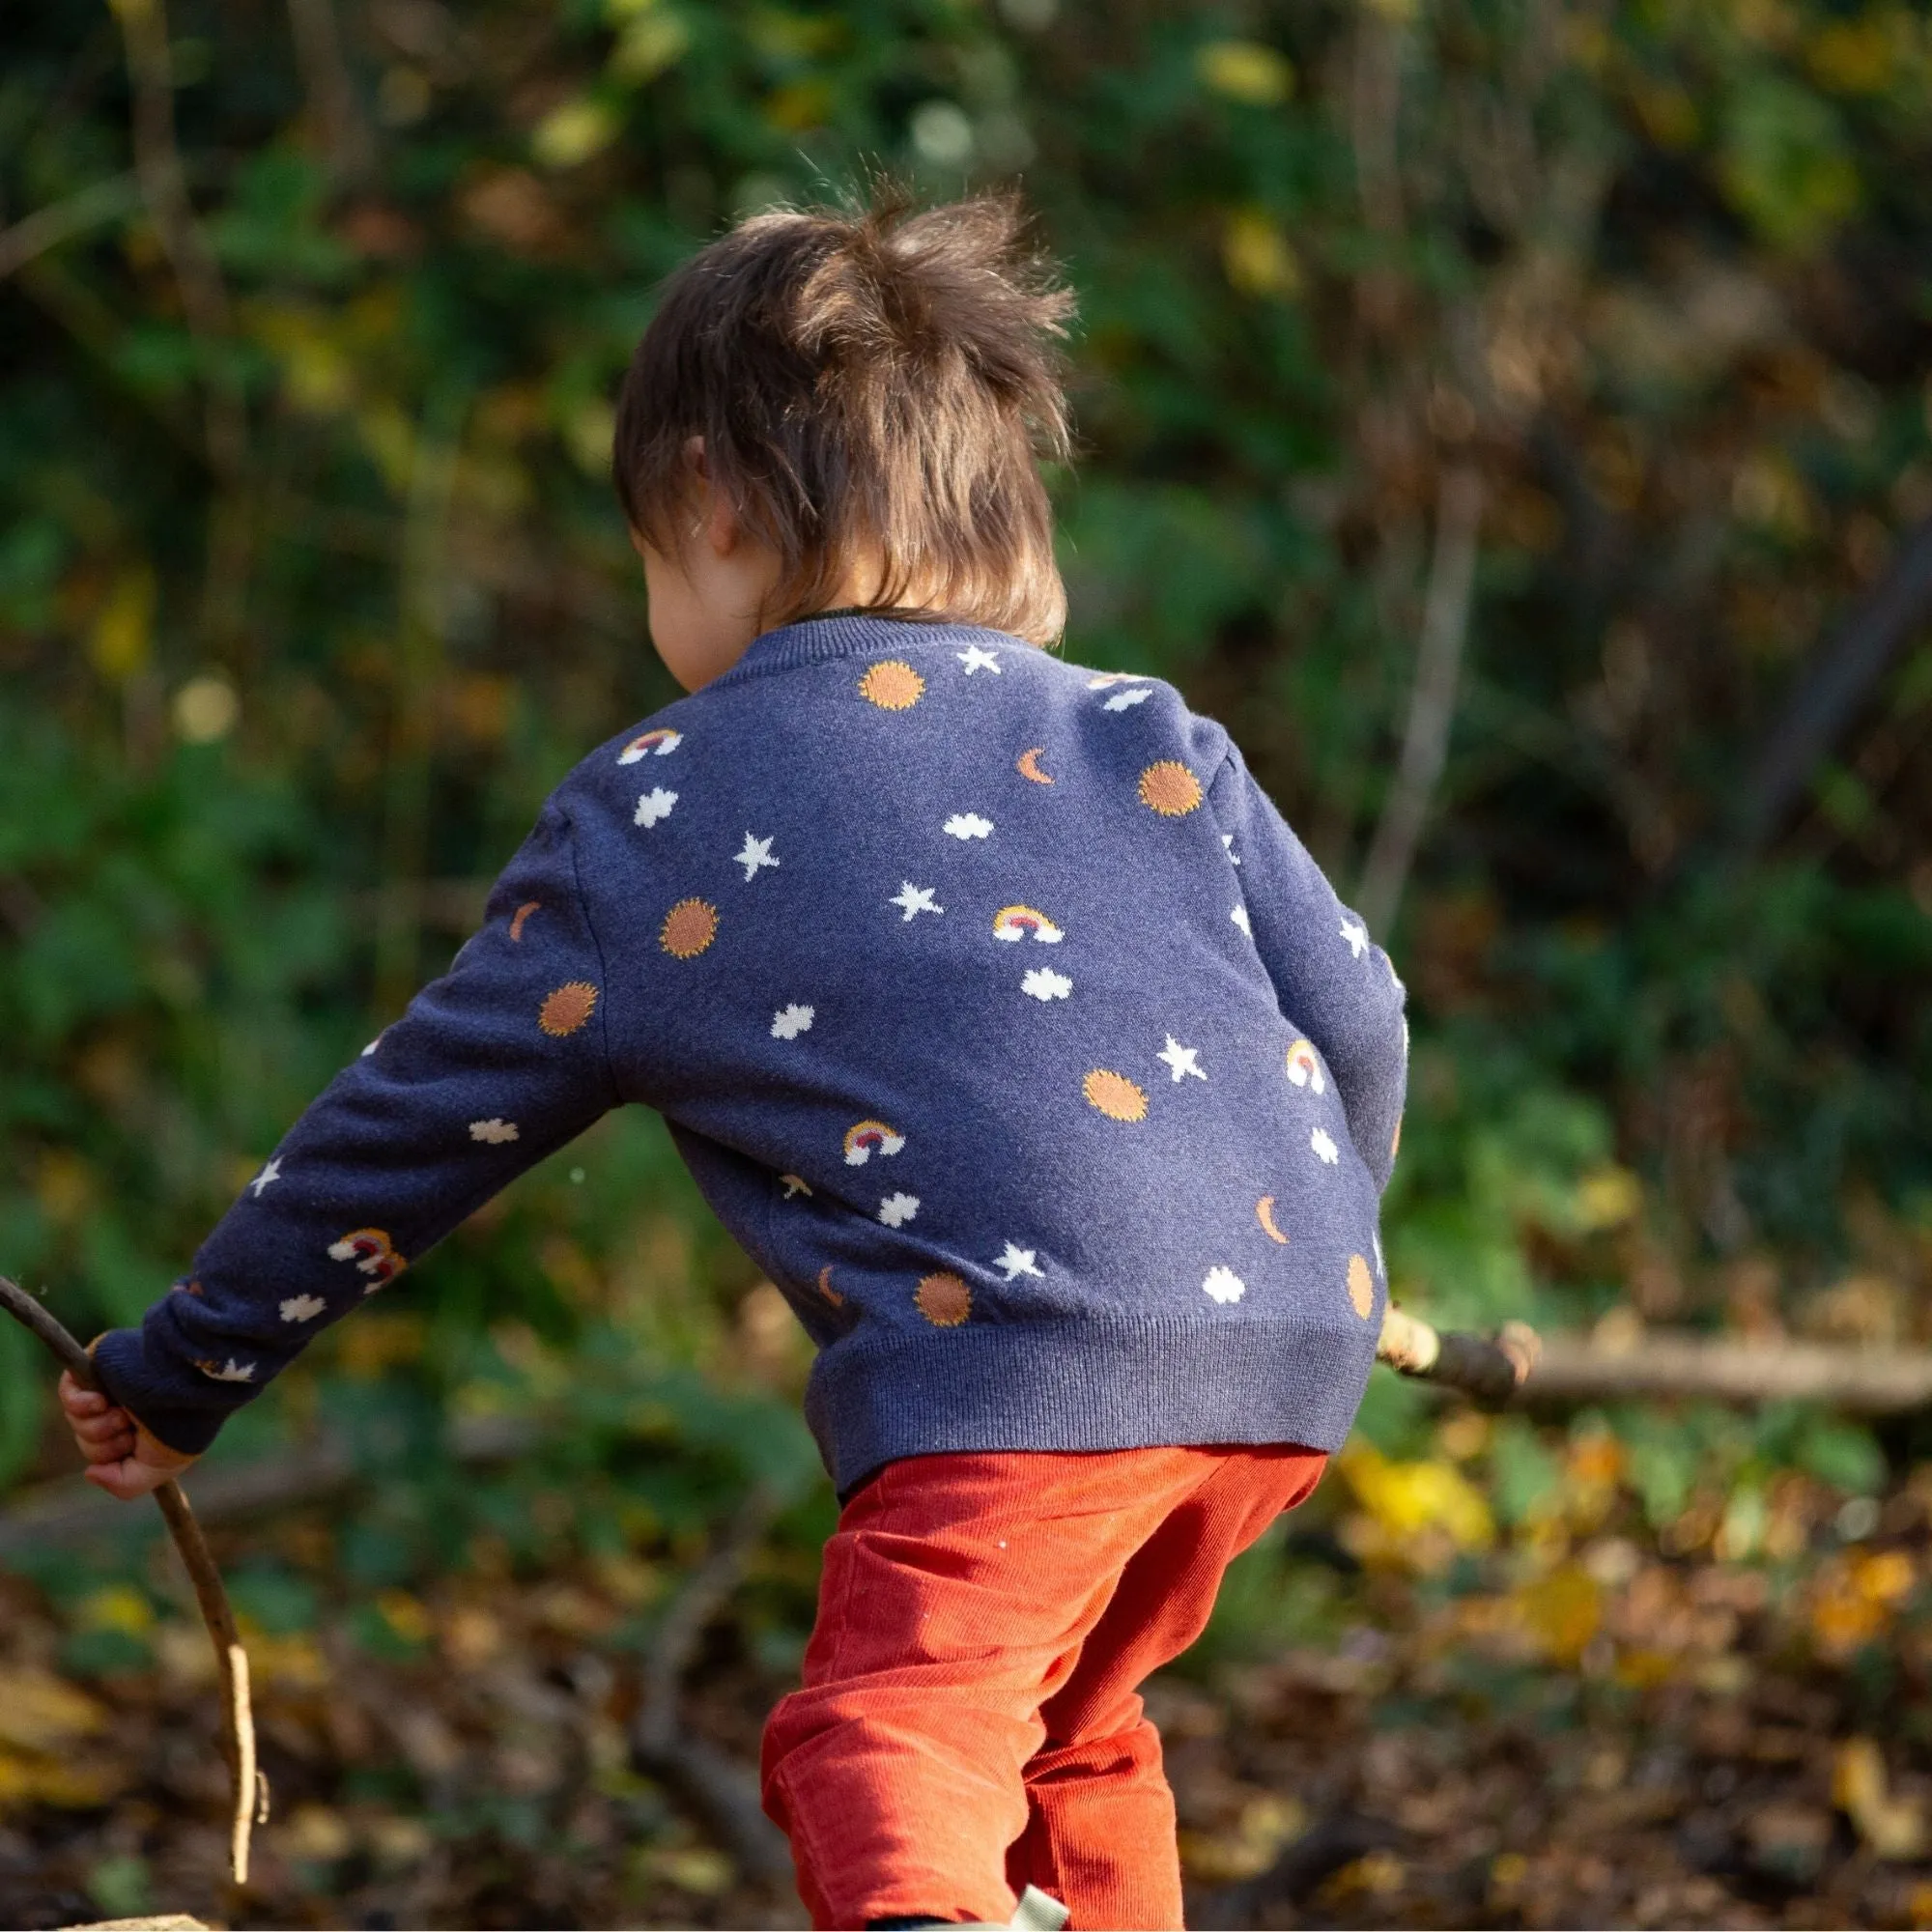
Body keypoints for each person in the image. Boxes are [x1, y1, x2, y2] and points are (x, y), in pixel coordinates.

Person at [60, 190, 1406, 1931]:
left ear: (704, 502)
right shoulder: (1150, 735)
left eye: (642, 555)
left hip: (1021, 1363)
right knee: (1067, 1732)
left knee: (890, 1730)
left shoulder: (670, 805)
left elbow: (406, 1126)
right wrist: (1321, 1254)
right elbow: (1361, 1014)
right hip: (1291, 1354)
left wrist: (186, 1370)